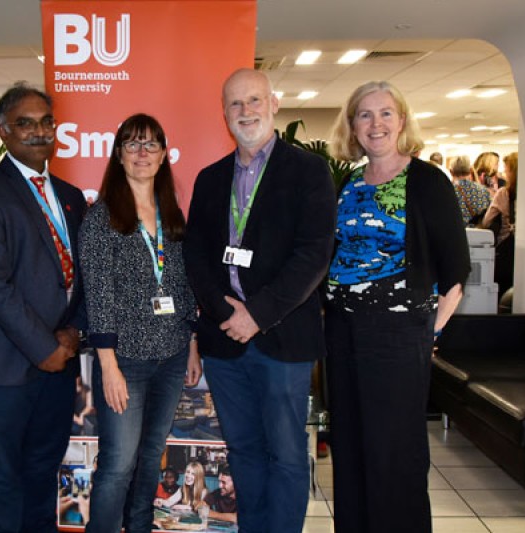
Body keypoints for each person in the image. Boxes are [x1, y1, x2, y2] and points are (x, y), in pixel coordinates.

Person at [184, 68, 336, 533]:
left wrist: (259, 315)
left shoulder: (309, 171)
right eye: (235, 104)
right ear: (224, 114)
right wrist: (227, 313)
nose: (245, 111)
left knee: (287, 453)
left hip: (282, 339)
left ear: (273, 104)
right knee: (244, 450)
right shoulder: (210, 179)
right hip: (224, 340)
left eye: (254, 101)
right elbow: (195, 256)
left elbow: (314, 254)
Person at [325, 80, 470, 533]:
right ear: (352, 126)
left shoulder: (426, 181)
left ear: (402, 121)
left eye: (386, 113)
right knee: (349, 449)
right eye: (364, 115)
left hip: (397, 337)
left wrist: (429, 333)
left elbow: (456, 275)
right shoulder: (348, 183)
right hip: (342, 333)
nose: (376, 124)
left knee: (394, 455)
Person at [0, 82, 88, 533]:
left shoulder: (70, 196)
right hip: (4, 367)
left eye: (45, 122)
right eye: (24, 124)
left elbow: (84, 274)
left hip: (60, 361)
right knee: (3, 477)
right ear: (3, 133)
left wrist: (73, 336)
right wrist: (43, 345)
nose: (38, 132)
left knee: (42, 471)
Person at [80, 113, 201, 533]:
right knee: (117, 464)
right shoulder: (101, 217)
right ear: (118, 155)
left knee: (151, 457)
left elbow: (182, 286)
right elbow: (98, 294)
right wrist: (108, 366)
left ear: (165, 153)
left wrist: (191, 345)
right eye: (132, 144)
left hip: (170, 356)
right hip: (125, 362)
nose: (142, 153)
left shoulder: (172, 212)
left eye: (151, 144)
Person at [483, 152, 518, 298]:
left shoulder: (504, 193)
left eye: (506, 169)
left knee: (501, 294)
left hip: (506, 252)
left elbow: (487, 221)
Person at [450, 155, 491, 226]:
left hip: (456, 232)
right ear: (470, 171)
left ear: (451, 171)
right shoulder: (483, 190)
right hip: (478, 232)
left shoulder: (447, 191)